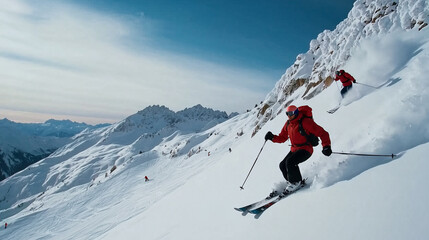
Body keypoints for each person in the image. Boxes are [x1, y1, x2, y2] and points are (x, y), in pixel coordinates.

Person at [264, 105, 332, 193]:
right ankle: (291, 181)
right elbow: (282, 137)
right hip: (294, 149)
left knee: (290, 162)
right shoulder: (288, 124)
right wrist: (272, 137)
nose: (289, 116)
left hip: (306, 149)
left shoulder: (305, 122)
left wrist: (326, 146)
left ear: (296, 112)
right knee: (282, 165)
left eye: (291, 113)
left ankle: (295, 182)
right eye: (287, 114)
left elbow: (323, 133)